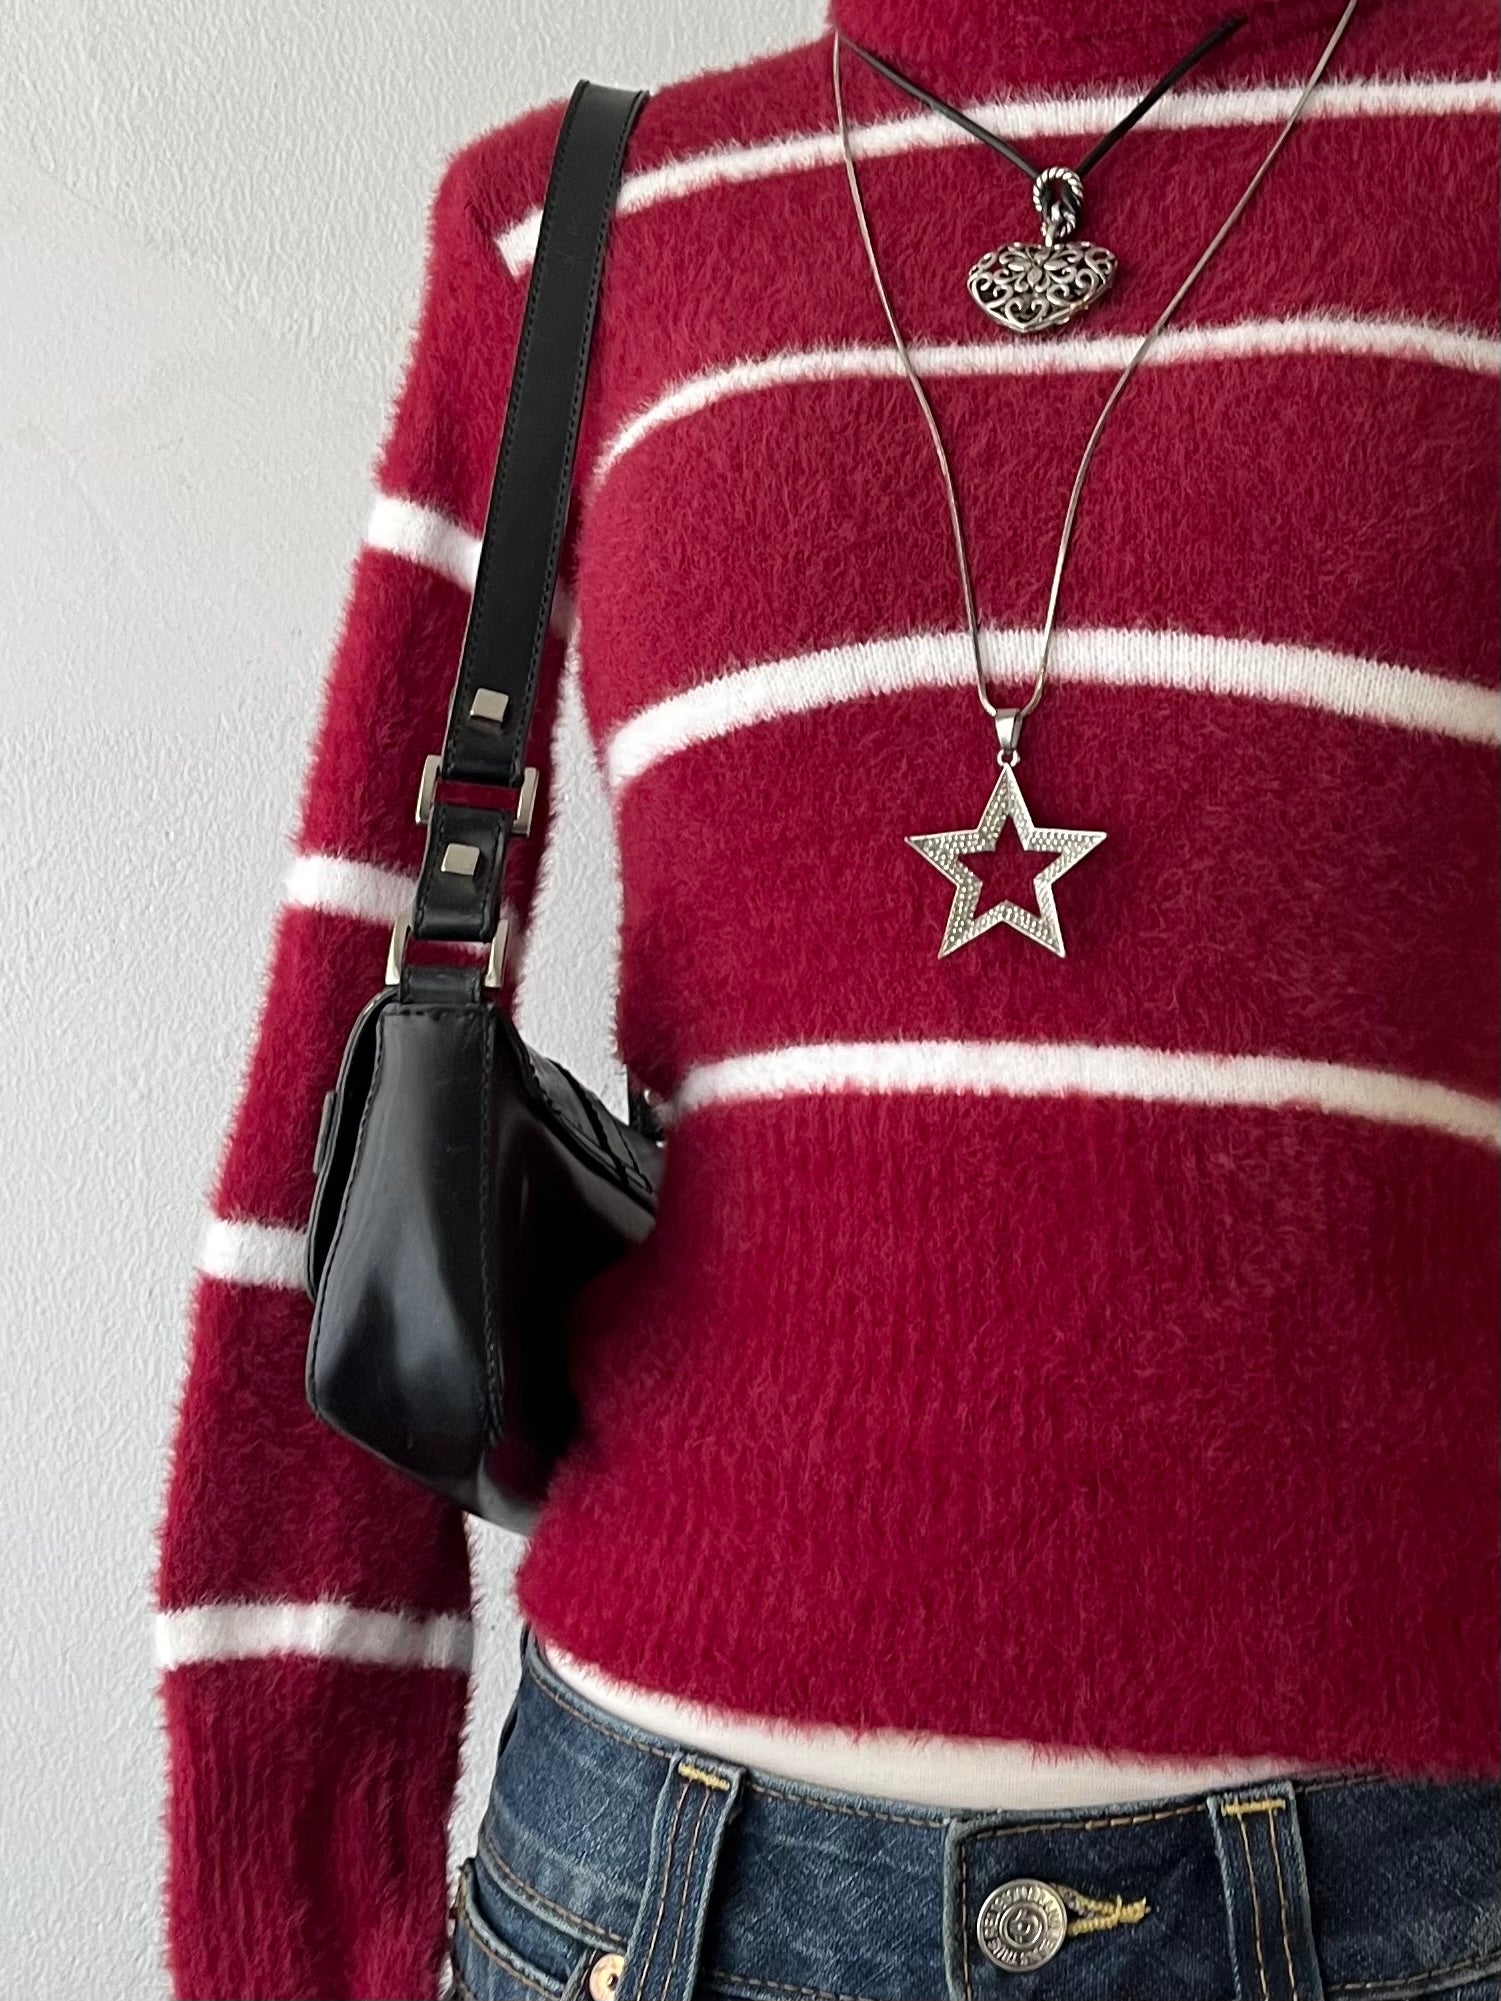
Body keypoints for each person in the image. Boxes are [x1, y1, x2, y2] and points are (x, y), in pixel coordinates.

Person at [153, 1, 1501, 1996]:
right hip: (649, 1896)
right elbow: (334, 1099)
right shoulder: (574, 223)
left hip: (1407, 1898)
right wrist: (289, 1921)